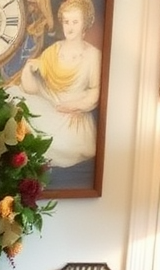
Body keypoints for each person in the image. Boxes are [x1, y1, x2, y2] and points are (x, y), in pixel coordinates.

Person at [20, 0, 100, 172]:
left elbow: (95, 93)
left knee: (60, 144)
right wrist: (28, 69)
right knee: (15, 100)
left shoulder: (93, 56)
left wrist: (74, 106)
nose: (69, 27)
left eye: (75, 22)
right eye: (66, 22)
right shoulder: (53, 51)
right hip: (50, 106)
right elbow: (33, 89)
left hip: (73, 119)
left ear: (84, 23)